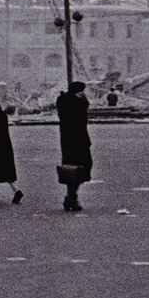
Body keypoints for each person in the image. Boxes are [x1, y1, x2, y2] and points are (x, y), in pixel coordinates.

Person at [56, 81, 92, 212]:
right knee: (80, 168)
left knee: (71, 169)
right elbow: (81, 119)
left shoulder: (63, 100)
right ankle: (72, 197)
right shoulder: (75, 102)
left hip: (67, 141)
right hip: (78, 141)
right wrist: (84, 103)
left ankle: (71, 196)